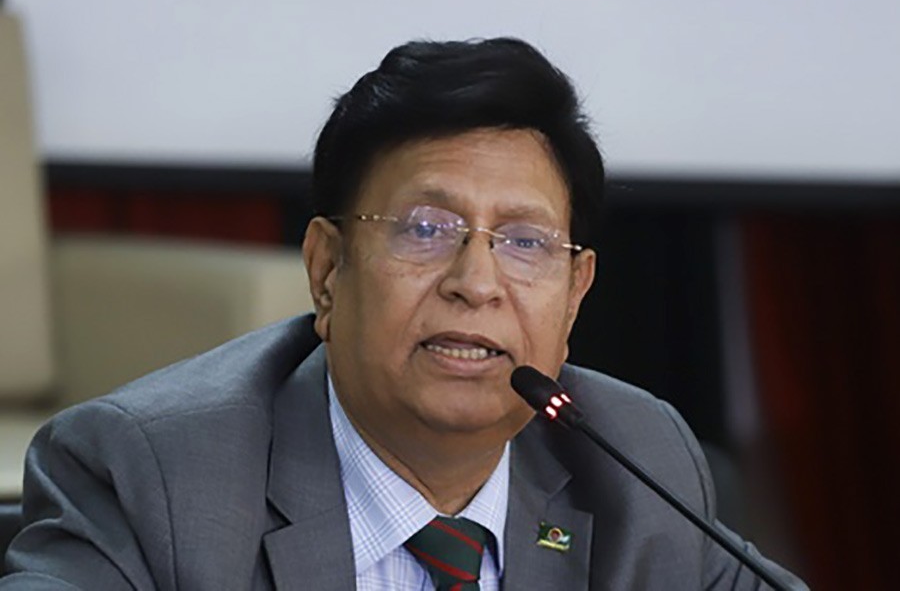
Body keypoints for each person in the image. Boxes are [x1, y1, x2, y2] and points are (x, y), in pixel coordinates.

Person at [1, 38, 807, 590]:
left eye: (524, 242)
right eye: (426, 229)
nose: (476, 283)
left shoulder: (639, 461)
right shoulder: (155, 476)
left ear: (575, 293)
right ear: (327, 271)